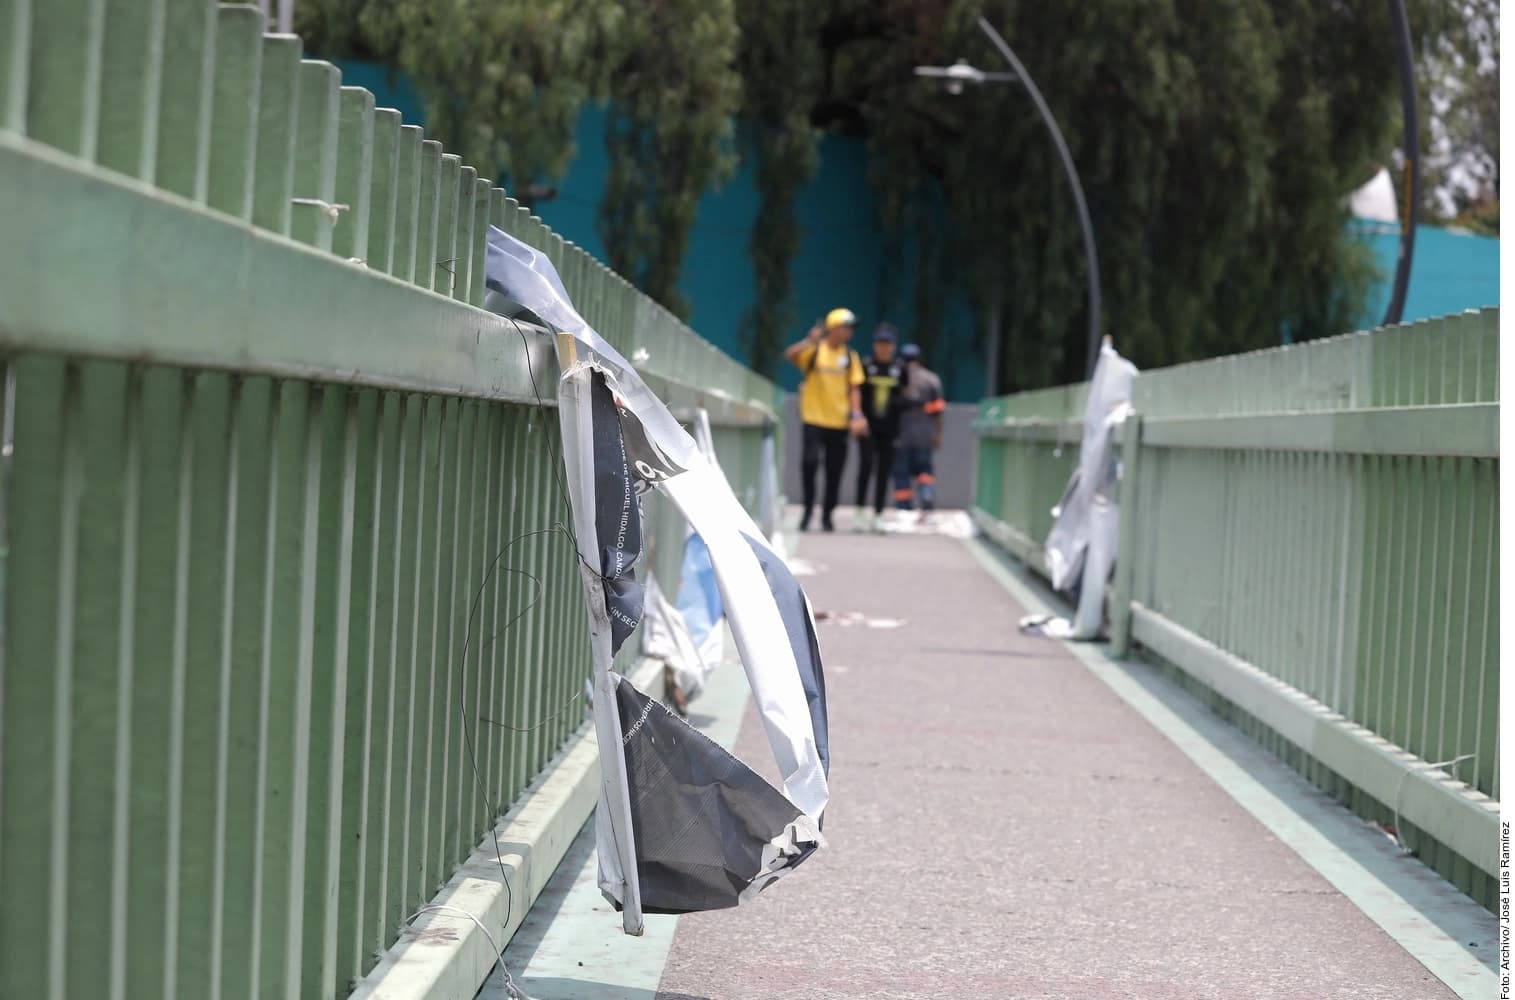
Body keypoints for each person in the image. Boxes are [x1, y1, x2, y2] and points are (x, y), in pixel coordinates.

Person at [785, 308, 867, 532]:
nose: (849, 332)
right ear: (833, 328)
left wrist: (857, 414)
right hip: (813, 419)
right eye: (845, 327)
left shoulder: (850, 356)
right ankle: (808, 509)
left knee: (835, 470)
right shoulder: (814, 351)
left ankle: (828, 514)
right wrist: (808, 341)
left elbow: (854, 388)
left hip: (839, 423)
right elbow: (790, 355)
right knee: (810, 464)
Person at [853, 323, 905, 531]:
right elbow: (856, 393)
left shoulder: (899, 369)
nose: (884, 347)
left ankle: (878, 514)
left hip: (890, 429)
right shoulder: (866, 366)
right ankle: (859, 512)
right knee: (865, 466)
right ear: (875, 345)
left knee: (884, 470)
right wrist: (858, 417)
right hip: (868, 427)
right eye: (880, 342)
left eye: (888, 343)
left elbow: (904, 395)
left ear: (893, 345)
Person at [890, 343, 946, 520]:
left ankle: (904, 509)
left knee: (902, 474)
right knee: (924, 470)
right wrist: (938, 435)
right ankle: (926, 495)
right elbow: (938, 412)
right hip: (925, 435)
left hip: (901, 435)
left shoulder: (897, 379)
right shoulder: (931, 380)